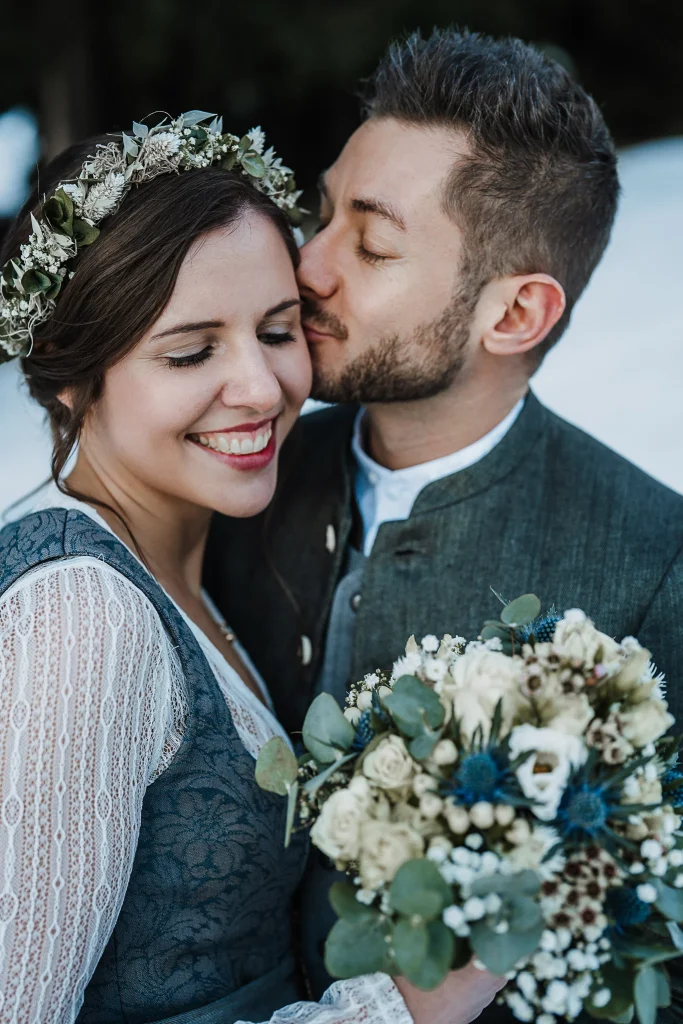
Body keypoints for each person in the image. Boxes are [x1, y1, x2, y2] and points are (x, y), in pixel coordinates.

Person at [203, 28, 683, 1015]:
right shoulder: (227, 472)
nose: (308, 265)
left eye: (372, 244)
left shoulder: (653, 561)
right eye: (322, 211)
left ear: (511, 315)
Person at [0, 118, 503, 1023]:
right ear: (70, 377)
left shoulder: (185, 553)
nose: (264, 389)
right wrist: (396, 1010)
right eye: (191, 352)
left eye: (278, 330)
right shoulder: (79, 619)